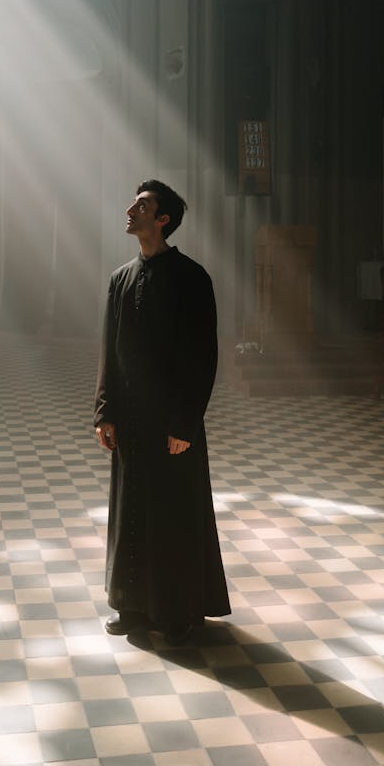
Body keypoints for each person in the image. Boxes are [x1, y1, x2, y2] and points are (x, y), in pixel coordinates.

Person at [94, 180, 231, 645]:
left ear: (163, 219)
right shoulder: (119, 278)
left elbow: (201, 356)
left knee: (172, 514)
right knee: (129, 508)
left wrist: (183, 423)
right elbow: (109, 353)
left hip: (172, 421)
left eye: (143, 204)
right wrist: (105, 411)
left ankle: (175, 612)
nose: (130, 209)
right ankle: (131, 606)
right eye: (133, 201)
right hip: (130, 419)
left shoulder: (192, 278)